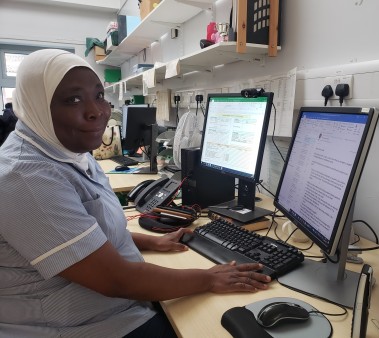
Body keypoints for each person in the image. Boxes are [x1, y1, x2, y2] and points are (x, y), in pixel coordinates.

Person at [0, 49, 271, 338]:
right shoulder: (25, 178)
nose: (96, 111)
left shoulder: (67, 148)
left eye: (99, 95)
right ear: (36, 105)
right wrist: (207, 278)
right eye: (73, 99)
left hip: (116, 306)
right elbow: (114, 280)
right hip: (84, 326)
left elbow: (86, 232)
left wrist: (152, 242)